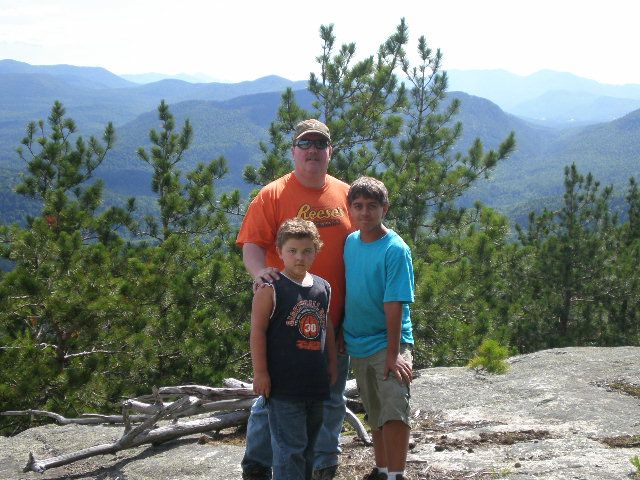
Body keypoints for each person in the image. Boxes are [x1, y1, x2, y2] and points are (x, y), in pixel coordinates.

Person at [236, 119, 352, 480]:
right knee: (272, 396)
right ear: (294, 151)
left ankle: (323, 463)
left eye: (320, 144)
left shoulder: (346, 194)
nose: (312, 150)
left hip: (333, 316)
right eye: (305, 144)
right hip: (285, 324)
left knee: (331, 394)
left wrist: (354, 316)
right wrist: (260, 274)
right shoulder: (273, 194)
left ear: (330, 151)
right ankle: (258, 464)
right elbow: (252, 245)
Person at [250, 218, 338, 480]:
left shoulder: (323, 287)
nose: (300, 257)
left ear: (316, 251)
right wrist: (260, 372)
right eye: (292, 251)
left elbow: (327, 327)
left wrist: (332, 363)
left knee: (309, 447)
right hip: (283, 387)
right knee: (290, 450)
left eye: (307, 251)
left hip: (315, 383)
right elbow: (257, 332)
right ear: (279, 251)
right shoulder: (270, 288)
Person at [342, 176, 415, 480]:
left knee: (394, 409)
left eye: (372, 206)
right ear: (349, 208)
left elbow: (394, 303)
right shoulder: (351, 242)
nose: (365, 212)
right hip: (358, 342)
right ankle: (382, 470)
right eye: (358, 206)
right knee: (374, 410)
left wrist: (394, 353)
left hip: (388, 342)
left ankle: (397, 474)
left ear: (385, 208)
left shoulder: (395, 249)